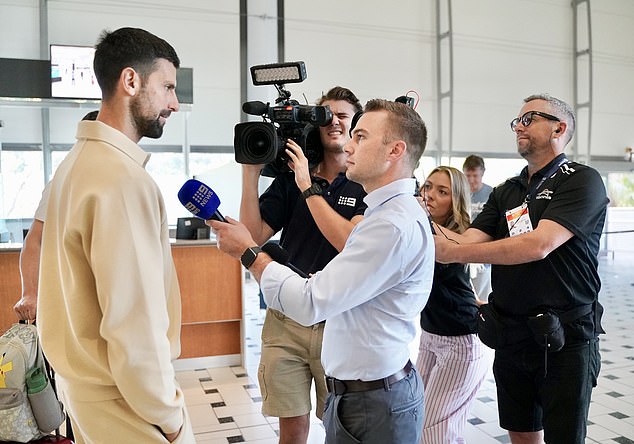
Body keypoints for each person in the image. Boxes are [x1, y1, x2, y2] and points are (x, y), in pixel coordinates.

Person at [211, 99, 434, 443]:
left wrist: (250, 254)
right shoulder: (385, 212)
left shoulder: (390, 224)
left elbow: (311, 300)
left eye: (359, 135)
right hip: (360, 390)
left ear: (395, 150)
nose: (348, 145)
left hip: (373, 400)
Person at [37, 28, 195, 443]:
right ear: (130, 81)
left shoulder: (73, 166)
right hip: (127, 403)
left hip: (85, 394)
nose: (174, 103)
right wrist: (170, 416)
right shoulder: (122, 180)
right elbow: (134, 322)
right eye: (167, 87)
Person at [434, 94, 608, 444]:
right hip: (512, 333)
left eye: (529, 118)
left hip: (565, 338)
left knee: (564, 437)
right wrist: (412, 212)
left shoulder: (581, 180)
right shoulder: (507, 191)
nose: (519, 126)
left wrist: (454, 254)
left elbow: (538, 245)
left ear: (559, 127)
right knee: (522, 433)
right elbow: (466, 240)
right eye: (517, 121)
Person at [239, 86, 367, 443]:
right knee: (292, 429)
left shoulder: (365, 183)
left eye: (343, 115)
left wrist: (307, 185)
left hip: (339, 319)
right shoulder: (290, 178)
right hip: (286, 318)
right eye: (324, 115)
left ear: (357, 125)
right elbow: (251, 235)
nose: (334, 122)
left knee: (340, 427)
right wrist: (251, 174)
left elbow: (349, 242)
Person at [416, 166, 489, 443]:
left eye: (442, 191)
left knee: (433, 431)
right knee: (422, 421)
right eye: (428, 186)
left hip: (460, 340)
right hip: (430, 335)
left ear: (455, 200)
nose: (430, 195)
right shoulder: (420, 227)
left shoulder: (457, 237)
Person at [14, 111, 99, 322]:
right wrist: (30, 293)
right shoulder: (62, 184)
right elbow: (34, 240)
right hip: (69, 302)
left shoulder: (124, 182)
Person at [462, 154, 493, 302]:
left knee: (482, 297)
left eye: (475, 175)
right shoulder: (460, 193)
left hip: (484, 256)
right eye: (468, 175)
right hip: (462, 250)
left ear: (482, 173)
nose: (471, 180)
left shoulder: (491, 194)